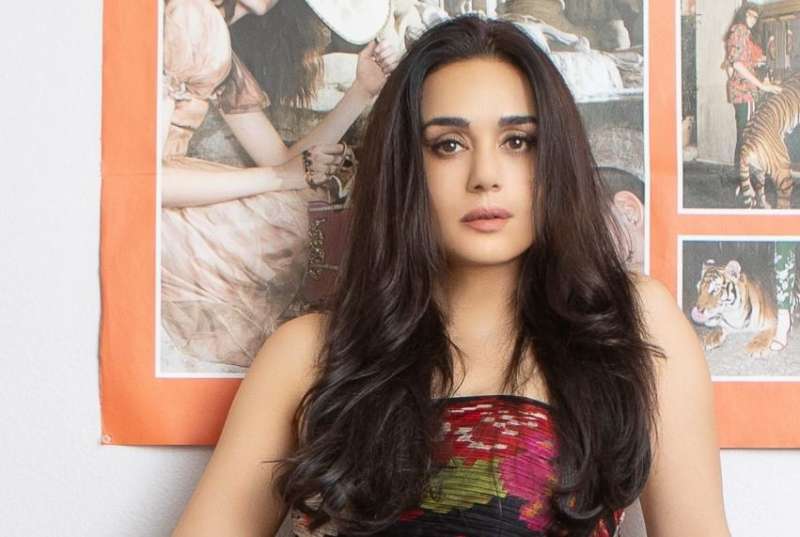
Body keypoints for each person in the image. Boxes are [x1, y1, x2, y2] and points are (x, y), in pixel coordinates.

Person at [172, 14, 731, 536]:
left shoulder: (635, 324)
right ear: (405, 167)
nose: (485, 176)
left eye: (518, 141)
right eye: (449, 145)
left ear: (554, 157)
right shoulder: (306, 353)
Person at [159, 0, 400, 367]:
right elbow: (141, 179)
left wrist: (362, 90)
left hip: (170, 190)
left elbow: (282, 161)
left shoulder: (217, 42)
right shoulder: (192, 17)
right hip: (153, 206)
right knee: (293, 216)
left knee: (304, 205)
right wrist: (279, 177)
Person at [721, 2, 782, 207]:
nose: (752, 20)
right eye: (749, 15)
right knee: (747, 139)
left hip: (744, 93)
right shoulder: (740, 30)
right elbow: (737, 64)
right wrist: (761, 85)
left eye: (755, 17)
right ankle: (743, 183)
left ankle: (741, 181)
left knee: (744, 137)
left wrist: (756, 68)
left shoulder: (741, 33)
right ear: (742, 14)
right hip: (744, 93)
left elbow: (733, 64)